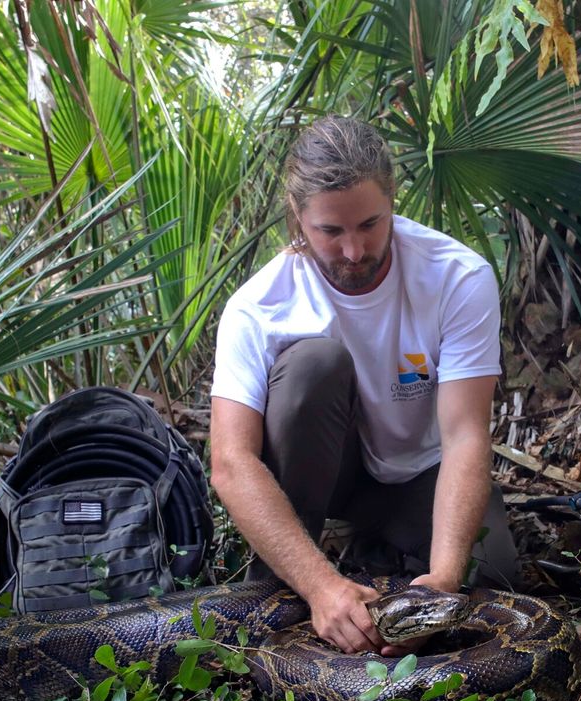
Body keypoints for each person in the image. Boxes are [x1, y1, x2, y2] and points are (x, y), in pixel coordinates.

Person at [209, 115, 520, 655]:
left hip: (417, 474)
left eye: (370, 225)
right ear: (298, 220)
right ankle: (278, 587)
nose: (354, 251)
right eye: (330, 232)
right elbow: (231, 463)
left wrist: (443, 582)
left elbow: (467, 437)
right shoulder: (258, 306)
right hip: (328, 479)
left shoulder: (457, 277)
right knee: (312, 366)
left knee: (493, 577)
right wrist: (320, 586)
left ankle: (377, 550)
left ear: (392, 200)